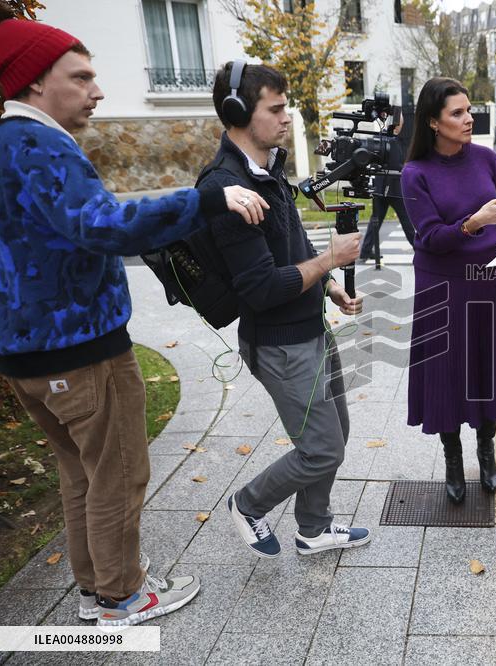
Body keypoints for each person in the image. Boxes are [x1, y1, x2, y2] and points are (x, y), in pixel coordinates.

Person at [0, 16, 268, 626]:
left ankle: (99, 588)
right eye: (82, 76)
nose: (97, 90)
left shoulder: (6, 143)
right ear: (35, 84)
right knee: (118, 473)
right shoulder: (36, 143)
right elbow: (102, 225)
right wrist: (203, 198)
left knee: (81, 474)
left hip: (28, 354)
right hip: (81, 350)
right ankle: (123, 599)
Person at [200, 61, 372, 559]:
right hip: (280, 344)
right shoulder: (229, 189)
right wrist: (329, 260)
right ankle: (248, 505)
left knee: (336, 432)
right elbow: (259, 288)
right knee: (322, 449)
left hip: (309, 326)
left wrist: (330, 284)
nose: (286, 118)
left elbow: (287, 247)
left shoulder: (268, 169)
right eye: (274, 109)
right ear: (237, 114)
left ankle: (314, 528)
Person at [402, 77, 496, 504]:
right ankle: (453, 458)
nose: (468, 118)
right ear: (433, 122)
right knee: (447, 375)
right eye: (457, 113)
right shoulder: (415, 173)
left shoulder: (486, 158)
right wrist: (475, 222)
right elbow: (433, 238)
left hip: (487, 280)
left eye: (469, 109)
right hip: (439, 286)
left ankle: (486, 455)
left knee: (485, 371)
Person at [358, 114, 415, 262]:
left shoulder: (379, 138)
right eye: (401, 123)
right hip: (394, 189)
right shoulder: (393, 141)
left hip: (379, 187)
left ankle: (365, 251)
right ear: (397, 125)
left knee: (375, 221)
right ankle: (419, 249)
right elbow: (396, 164)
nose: (401, 126)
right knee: (407, 221)